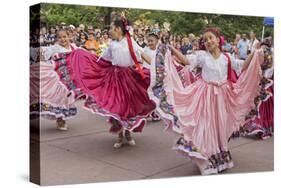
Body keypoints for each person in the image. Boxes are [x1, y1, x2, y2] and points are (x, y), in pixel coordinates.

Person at [149, 27, 264, 175]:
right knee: (205, 125)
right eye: (205, 39)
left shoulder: (227, 57)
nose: (208, 41)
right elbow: (185, 61)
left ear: (218, 39)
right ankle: (205, 159)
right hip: (204, 96)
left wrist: (254, 52)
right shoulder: (202, 56)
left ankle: (219, 154)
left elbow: (242, 66)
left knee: (218, 127)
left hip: (223, 96)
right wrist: (171, 49)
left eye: (211, 38)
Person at [51, 17, 156, 148]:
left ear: (118, 29)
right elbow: (101, 59)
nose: (110, 31)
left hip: (129, 77)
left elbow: (143, 55)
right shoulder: (112, 44)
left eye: (111, 28)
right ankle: (119, 135)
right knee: (117, 106)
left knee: (128, 106)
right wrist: (83, 55)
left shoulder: (131, 42)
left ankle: (128, 134)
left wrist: (156, 67)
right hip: (114, 78)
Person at [30, 29, 78, 131]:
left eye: (64, 37)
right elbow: (40, 52)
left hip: (69, 78)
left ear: (68, 36)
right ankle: (61, 120)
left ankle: (61, 119)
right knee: (60, 98)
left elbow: (82, 56)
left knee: (67, 98)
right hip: (58, 79)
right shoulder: (54, 48)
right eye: (60, 37)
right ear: (57, 39)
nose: (62, 39)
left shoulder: (74, 47)